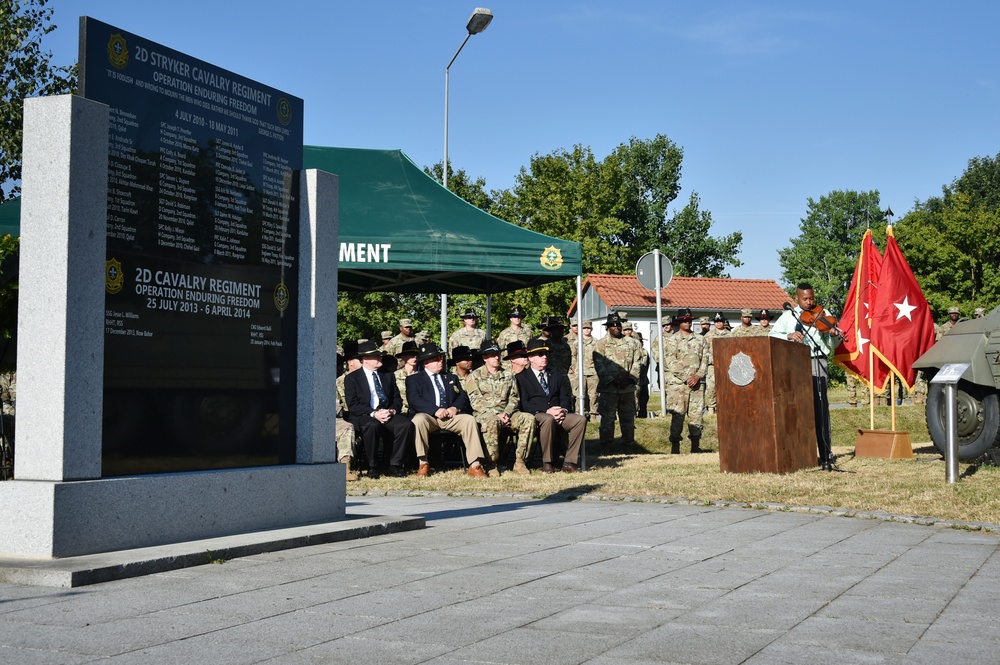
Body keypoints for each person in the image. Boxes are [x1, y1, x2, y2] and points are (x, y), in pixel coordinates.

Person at [770, 282, 842, 471]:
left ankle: (826, 455)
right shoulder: (787, 317)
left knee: (821, 409)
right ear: (797, 298)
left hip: (817, 362)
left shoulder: (823, 314)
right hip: (794, 365)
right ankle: (799, 454)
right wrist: (789, 336)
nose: (810, 302)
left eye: (812, 298)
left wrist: (834, 334)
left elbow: (832, 345)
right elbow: (772, 335)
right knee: (797, 409)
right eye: (805, 299)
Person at [406, 342, 492, 478]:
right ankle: (423, 463)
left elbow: (463, 396)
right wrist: (435, 410)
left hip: (450, 417)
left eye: (440, 358)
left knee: (469, 420)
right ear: (426, 363)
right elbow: (414, 400)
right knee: (418, 420)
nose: (440, 361)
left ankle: (475, 465)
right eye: (435, 359)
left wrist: (454, 407)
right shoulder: (414, 379)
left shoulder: (451, 377)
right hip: (430, 417)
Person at [344, 340, 412, 478]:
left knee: (405, 425)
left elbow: (397, 399)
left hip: (386, 413)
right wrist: (373, 413)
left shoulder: (387, 375)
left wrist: (392, 411)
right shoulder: (352, 378)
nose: (380, 358)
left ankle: (394, 465)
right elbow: (353, 405)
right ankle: (373, 466)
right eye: (376, 356)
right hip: (365, 414)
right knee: (371, 425)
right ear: (365, 360)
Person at [465, 339, 535, 474]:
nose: (496, 357)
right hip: (485, 414)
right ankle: (491, 464)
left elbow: (514, 398)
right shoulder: (475, 376)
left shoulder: (508, 375)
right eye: (492, 355)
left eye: (497, 354)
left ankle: (520, 463)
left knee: (528, 418)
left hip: (507, 413)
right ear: (484, 357)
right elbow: (476, 402)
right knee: (492, 421)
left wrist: (507, 414)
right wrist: (497, 414)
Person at [516, 339, 586, 473]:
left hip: (558, 413)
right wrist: (547, 411)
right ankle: (547, 462)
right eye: (540, 354)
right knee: (548, 419)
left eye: (545, 354)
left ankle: (569, 462)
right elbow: (524, 403)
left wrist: (563, 411)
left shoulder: (556, 374)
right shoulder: (521, 378)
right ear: (530, 358)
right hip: (537, 414)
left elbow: (565, 396)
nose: (544, 357)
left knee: (580, 420)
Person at [660, 307, 710, 454]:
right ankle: (675, 447)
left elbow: (705, 359)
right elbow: (670, 361)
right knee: (678, 416)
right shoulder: (672, 340)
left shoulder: (700, 339)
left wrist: (698, 376)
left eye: (689, 320)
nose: (688, 323)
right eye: (684, 321)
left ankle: (695, 446)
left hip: (697, 384)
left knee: (696, 415)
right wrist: (687, 378)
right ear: (679, 322)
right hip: (678, 385)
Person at [593, 312, 642, 446]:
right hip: (609, 388)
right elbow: (599, 364)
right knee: (608, 419)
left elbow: (638, 362)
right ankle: (606, 446)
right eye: (612, 325)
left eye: (618, 325)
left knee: (628, 418)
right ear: (607, 327)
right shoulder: (601, 344)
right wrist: (611, 380)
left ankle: (629, 444)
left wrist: (630, 378)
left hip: (627, 387)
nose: (616, 327)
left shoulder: (633, 343)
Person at [569, 320, 599, 421]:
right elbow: (573, 356)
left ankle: (593, 414)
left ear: (591, 329)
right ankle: (580, 414)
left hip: (593, 372)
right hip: (579, 372)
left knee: (593, 395)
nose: (586, 330)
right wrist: (574, 367)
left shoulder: (596, 342)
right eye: (584, 328)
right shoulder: (576, 342)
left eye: (588, 328)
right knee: (579, 394)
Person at [702, 312, 729, 415]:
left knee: (725, 387)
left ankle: (723, 408)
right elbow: (704, 350)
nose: (718, 324)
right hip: (712, 366)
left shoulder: (730, 335)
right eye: (716, 322)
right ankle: (711, 409)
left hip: (726, 366)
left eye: (720, 321)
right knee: (711, 388)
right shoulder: (709, 335)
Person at [536, 315, 572, 386]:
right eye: (557, 329)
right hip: (549, 379)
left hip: (563, 378)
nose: (560, 332)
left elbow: (568, 363)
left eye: (562, 329)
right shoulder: (545, 345)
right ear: (551, 331)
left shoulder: (566, 346)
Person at [393, 340, 420, 412]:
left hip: (419, 411)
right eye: (411, 354)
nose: (415, 357)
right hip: (401, 411)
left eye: (416, 354)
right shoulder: (395, 375)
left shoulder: (422, 375)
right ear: (403, 356)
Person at [634, 331, 651, 418]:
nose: (640, 343)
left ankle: (643, 415)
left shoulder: (645, 352)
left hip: (643, 380)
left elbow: (647, 365)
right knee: (634, 399)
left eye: (641, 341)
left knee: (644, 399)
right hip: (634, 380)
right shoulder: (632, 352)